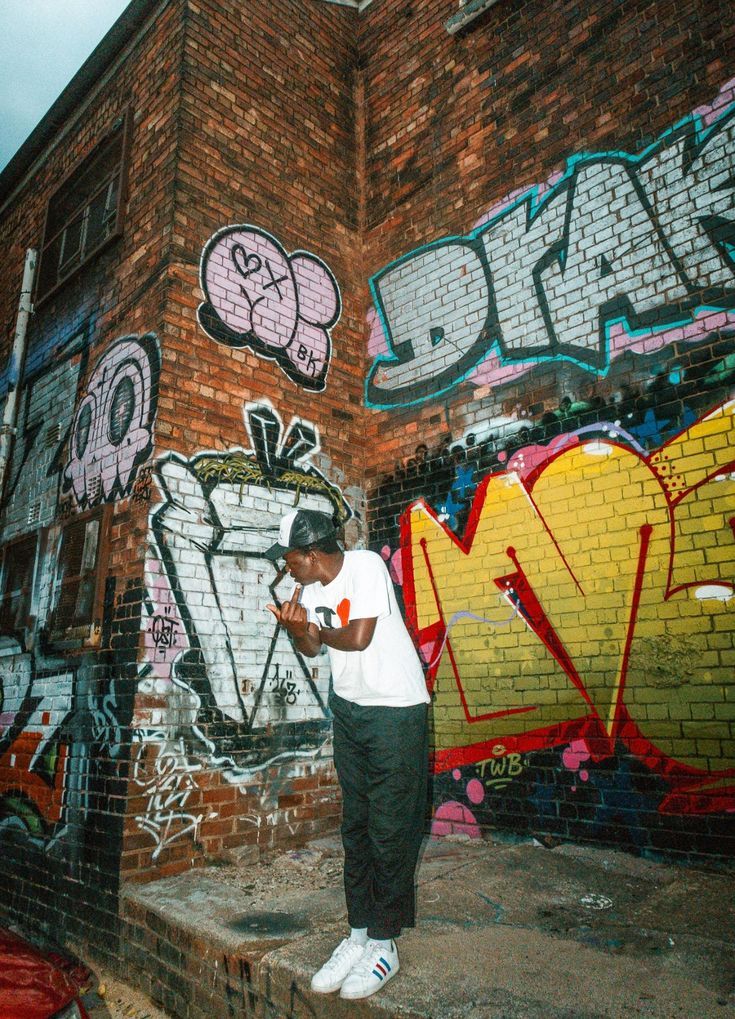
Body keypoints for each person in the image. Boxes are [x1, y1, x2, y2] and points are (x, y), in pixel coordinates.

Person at [265, 508, 429, 1000]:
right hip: (352, 711)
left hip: (396, 712)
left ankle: (385, 943)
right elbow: (313, 649)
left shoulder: (364, 567)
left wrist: (315, 632)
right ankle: (358, 935)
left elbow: (358, 636)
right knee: (356, 825)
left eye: (290, 558)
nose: (286, 567)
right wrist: (299, 628)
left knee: (390, 826)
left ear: (312, 554)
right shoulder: (310, 592)